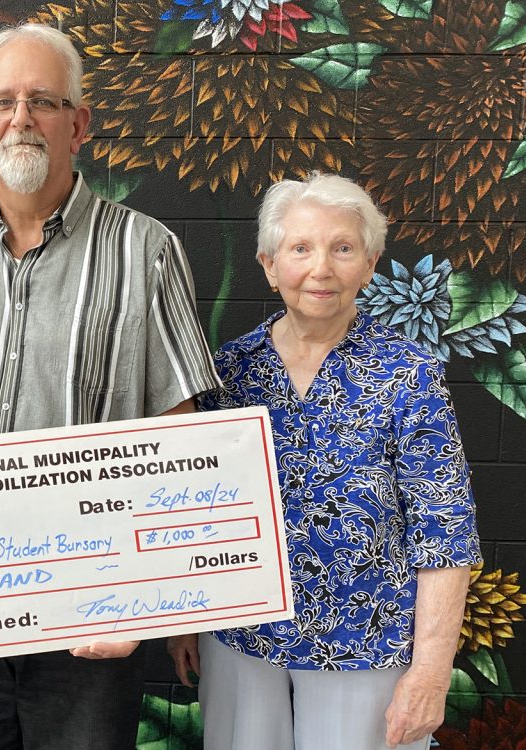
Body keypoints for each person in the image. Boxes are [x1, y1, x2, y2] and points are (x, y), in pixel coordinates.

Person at [0, 23, 221, 750]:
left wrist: (161, 599)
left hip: (93, 606)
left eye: (43, 101)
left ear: (79, 125)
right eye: (3, 102)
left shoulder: (146, 249)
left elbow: (181, 432)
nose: (22, 118)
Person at [167, 172, 480, 750]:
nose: (321, 269)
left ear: (371, 262)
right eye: (300, 248)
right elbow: (194, 507)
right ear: (268, 263)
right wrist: (187, 618)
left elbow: (447, 534)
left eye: (342, 248)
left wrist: (432, 673)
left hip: (367, 645)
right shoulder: (227, 372)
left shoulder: (409, 373)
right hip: (241, 638)